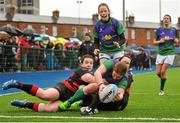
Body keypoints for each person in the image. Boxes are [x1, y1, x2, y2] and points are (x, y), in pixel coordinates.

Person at [2, 54, 95, 112]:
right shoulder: (82, 70)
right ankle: (17, 84)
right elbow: (89, 79)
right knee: (45, 95)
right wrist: (103, 81)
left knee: (49, 109)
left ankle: (25, 104)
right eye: (86, 62)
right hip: (63, 89)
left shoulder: (93, 74)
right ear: (81, 64)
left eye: (91, 63)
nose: (89, 65)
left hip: (68, 98)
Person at [59, 55, 131, 114]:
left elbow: (121, 93)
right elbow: (97, 72)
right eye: (114, 74)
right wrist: (101, 84)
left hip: (113, 101)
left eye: (118, 77)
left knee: (104, 90)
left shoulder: (125, 78)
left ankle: (89, 106)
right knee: (93, 86)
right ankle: (69, 102)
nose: (114, 78)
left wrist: (117, 96)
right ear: (113, 68)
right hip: (101, 90)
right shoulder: (110, 63)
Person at [153, 14, 179, 96]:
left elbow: (177, 40)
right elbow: (154, 42)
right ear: (163, 20)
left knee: (163, 71)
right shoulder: (159, 30)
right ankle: (164, 78)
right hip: (160, 53)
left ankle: (161, 90)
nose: (166, 20)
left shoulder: (174, 30)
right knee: (158, 73)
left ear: (170, 20)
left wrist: (175, 40)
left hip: (170, 52)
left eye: (167, 18)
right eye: (164, 18)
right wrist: (160, 41)